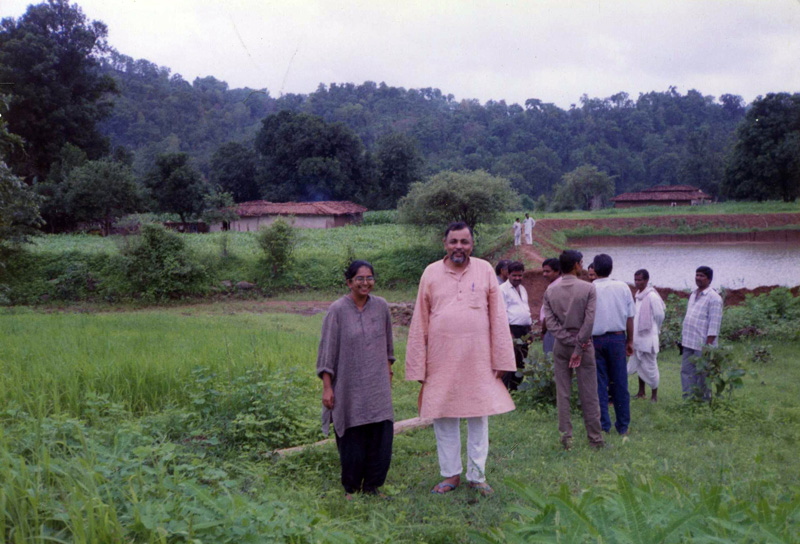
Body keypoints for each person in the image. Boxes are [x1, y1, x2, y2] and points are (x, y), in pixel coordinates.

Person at [406, 222, 516, 496]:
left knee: (479, 417)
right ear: (445, 244)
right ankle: (450, 475)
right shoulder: (431, 272)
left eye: (464, 242)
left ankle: (477, 476)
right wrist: (418, 363)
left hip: (478, 359)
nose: (459, 247)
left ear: (471, 245)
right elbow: (420, 320)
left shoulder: (485, 269)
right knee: (444, 416)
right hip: (440, 360)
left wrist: (501, 359)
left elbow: (499, 317)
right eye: (454, 241)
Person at [316, 260, 395, 499]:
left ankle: (372, 486)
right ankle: (351, 488)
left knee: (381, 438)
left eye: (369, 278)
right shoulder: (337, 310)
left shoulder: (381, 307)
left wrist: (387, 375)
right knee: (352, 439)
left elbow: (389, 348)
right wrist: (327, 388)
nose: (365, 283)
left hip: (377, 386)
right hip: (348, 387)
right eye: (359, 279)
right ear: (349, 282)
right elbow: (327, 353)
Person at [542, 250, 604, 450]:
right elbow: (589, 320)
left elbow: (550, 322)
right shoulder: (588, 288)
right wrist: (578, 346)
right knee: (589, 393)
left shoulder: (551, 291)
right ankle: (595, 439)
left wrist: (567, 340)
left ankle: (566, 440)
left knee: (563, 393)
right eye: (582, 263)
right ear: (577, 264)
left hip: (561, 345)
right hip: (583, 345)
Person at [591, 254, 635, 436]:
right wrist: (630, 340)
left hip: (595, 340)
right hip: (617, 339)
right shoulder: (622, 287)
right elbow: (630, 317)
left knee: (599, 383)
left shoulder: (589, 288)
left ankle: (604, 425)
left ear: (594, 268)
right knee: (620, 382)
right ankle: (623, 425)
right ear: (611, 268)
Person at [680, 266, 723, 400]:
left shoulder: (714, 298)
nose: (698, 278)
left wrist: (707, 346)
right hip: (688, 342)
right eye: (697, 275)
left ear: (709, 279)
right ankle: (688, 399)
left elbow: (714, 324)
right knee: (686, 371)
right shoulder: (693, 294)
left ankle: (704, 401)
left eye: (702, 276)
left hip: (702, 345)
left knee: (703, 374)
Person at [627, 269, 666, 402]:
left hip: (649, 338)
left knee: (650, 367)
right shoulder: (638, 295)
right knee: (639, 364)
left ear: (646, 280)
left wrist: (655, 329)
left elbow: (660, 316)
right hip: (637, 337)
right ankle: (641, 392)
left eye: (640, 280)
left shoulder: (652, 296)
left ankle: (654, 395)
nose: (637, 282)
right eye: (635, 280)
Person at [500, 261, 532, 391]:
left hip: (524, 330)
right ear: (508, 274)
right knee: (509, 361)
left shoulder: (522, 289)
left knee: (522, 360)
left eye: (520, 275)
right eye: (514, 275)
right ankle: (504, 390)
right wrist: (509, 333)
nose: (517, 278)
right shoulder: (502, 289)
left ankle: (516, 389)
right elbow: (501, 313)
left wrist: (529, 331)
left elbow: (525, 309)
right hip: (511, 329)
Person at [540, 257, 562, 354]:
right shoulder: (555, 285)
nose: (544, 274)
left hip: (552, 330)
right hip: (558, 330)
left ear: (557, 271)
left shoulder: (555, 288)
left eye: (548, 271)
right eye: (543, 271)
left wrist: (543, 330)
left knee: (551, 361)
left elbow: (549, 315)